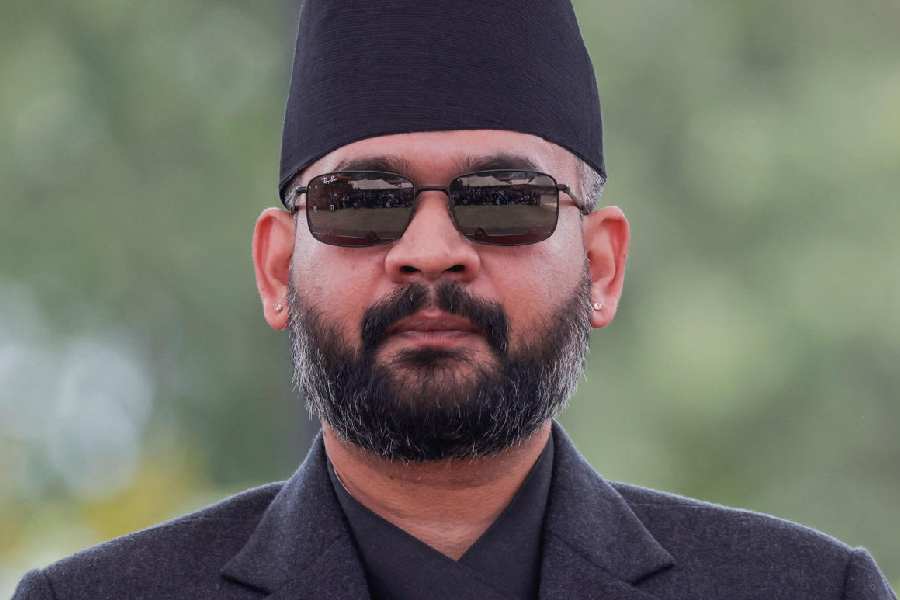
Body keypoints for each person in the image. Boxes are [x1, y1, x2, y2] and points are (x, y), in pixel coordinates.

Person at [13, 1, 896, 599]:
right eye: (361, 203)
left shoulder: (808, 590)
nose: (429, 252)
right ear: (278, 268)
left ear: (604, 264)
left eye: (502, 201)